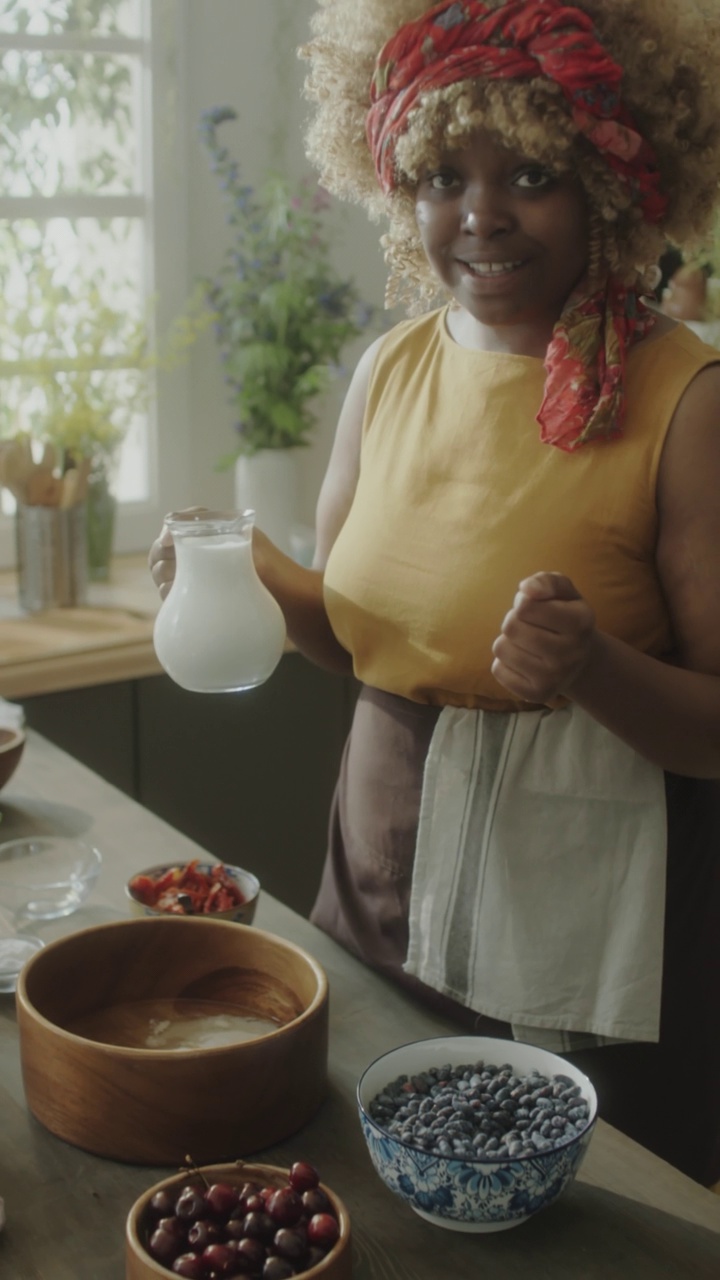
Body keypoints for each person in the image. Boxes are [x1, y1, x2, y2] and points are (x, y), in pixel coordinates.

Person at [150, 0, 720, 1187]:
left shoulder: (685, 393)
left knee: (597, 1229)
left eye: (529, 171)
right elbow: (358, 636)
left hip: (589, 918)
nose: (480, 215)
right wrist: (252, 579)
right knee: (370, 1198)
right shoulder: (391, 367)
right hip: (377, 875)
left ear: (613, 182)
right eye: (441, 174)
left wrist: (592, 667)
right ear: (393, 177)